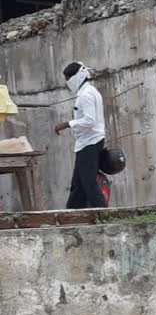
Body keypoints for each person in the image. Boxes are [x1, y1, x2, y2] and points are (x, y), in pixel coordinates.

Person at [54, 62, 107, 208]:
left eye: (68, 78)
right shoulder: (89, 92)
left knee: (88, 183)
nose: (67, 82)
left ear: (77, 76)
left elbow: (90, 120)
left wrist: (67, 124)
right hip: (86, 142)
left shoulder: (86, 95)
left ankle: (105, 215)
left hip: (90, 142)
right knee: (78, 184)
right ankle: (71, 214)